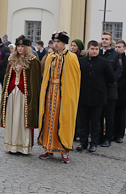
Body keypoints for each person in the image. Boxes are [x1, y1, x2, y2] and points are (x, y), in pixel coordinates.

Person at [38, 31, 80, 164]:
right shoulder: (50, 56)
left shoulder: (72, 57)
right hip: (50, 93)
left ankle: (64, 150)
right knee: (49, 119)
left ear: (64, 43)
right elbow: (45, 76)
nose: (56, 44)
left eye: (59, 42)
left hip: (63, 95)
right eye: (55, 42)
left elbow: (74, 78)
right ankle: (48, 147)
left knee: (63, 119)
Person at [0, 36, 42, 155]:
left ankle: (23, 145)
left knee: (22, 119)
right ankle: (11, 144)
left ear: (27, 47)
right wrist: (6, 92)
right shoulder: (12, 59)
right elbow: (7, 77)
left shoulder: (33, 61)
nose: (20, 48)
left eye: (22, 46)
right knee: (12, 117)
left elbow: (35, 82)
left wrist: (32, 97)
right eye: (18, 46)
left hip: (24, 94)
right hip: (13, 93)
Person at [76, 40, 115, 153]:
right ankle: (83, 142)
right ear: (88, 49)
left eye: (96, 49)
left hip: (98, 97)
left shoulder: (104, 63)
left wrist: (101, 87)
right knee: (83, 121)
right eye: (92, 49)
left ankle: (94, 143)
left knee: (96, 122)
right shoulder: (81, 61)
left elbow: (111, 78)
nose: (94, 51)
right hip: (83, 96)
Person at [98, 31, 122, 147]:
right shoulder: (98, 53)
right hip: (98, 90)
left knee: (109, 116)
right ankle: (98, 136)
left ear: (111, 41)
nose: (104, 41)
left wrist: (110, 81)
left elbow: (118, 71)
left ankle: (108, 137)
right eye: (103, 38)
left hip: (110, 90)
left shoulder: (115, 55)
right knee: (98, 115)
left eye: (107, 39)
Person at [113, 40, 126, 143]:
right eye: (116, 47)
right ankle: (111, 133)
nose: (117, 49)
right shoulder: (112, 59)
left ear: (124, 48)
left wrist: (117, 85)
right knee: (111, 114)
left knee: (120, 114)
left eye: (119, 47)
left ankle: (119, 134)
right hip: (111, 91)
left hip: (122, 91)